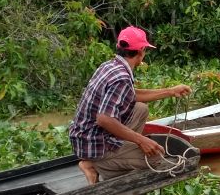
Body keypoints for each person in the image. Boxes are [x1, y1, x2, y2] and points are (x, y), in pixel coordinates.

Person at [69, 26, 191, 184]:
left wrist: (170, 91)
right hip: (93, 143)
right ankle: (93, 165)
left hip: (84, 136)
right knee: (156, 158)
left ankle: (119, 155)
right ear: (140, 52)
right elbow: (104, 119)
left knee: (140, 109)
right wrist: (141, 141)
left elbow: (131, 95)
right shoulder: (121, 77)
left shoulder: (110, 66)